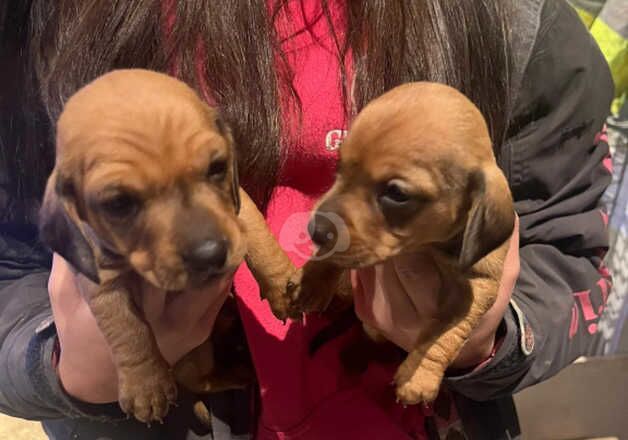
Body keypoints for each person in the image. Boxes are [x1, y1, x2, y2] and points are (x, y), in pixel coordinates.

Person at [0, 0, 615, 439]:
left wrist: (487, 335)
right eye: (121, 199)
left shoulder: (519, 23)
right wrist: (57, 360)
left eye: (217, 168)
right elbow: (11, 263)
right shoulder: (34, 21)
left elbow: (566, 247)